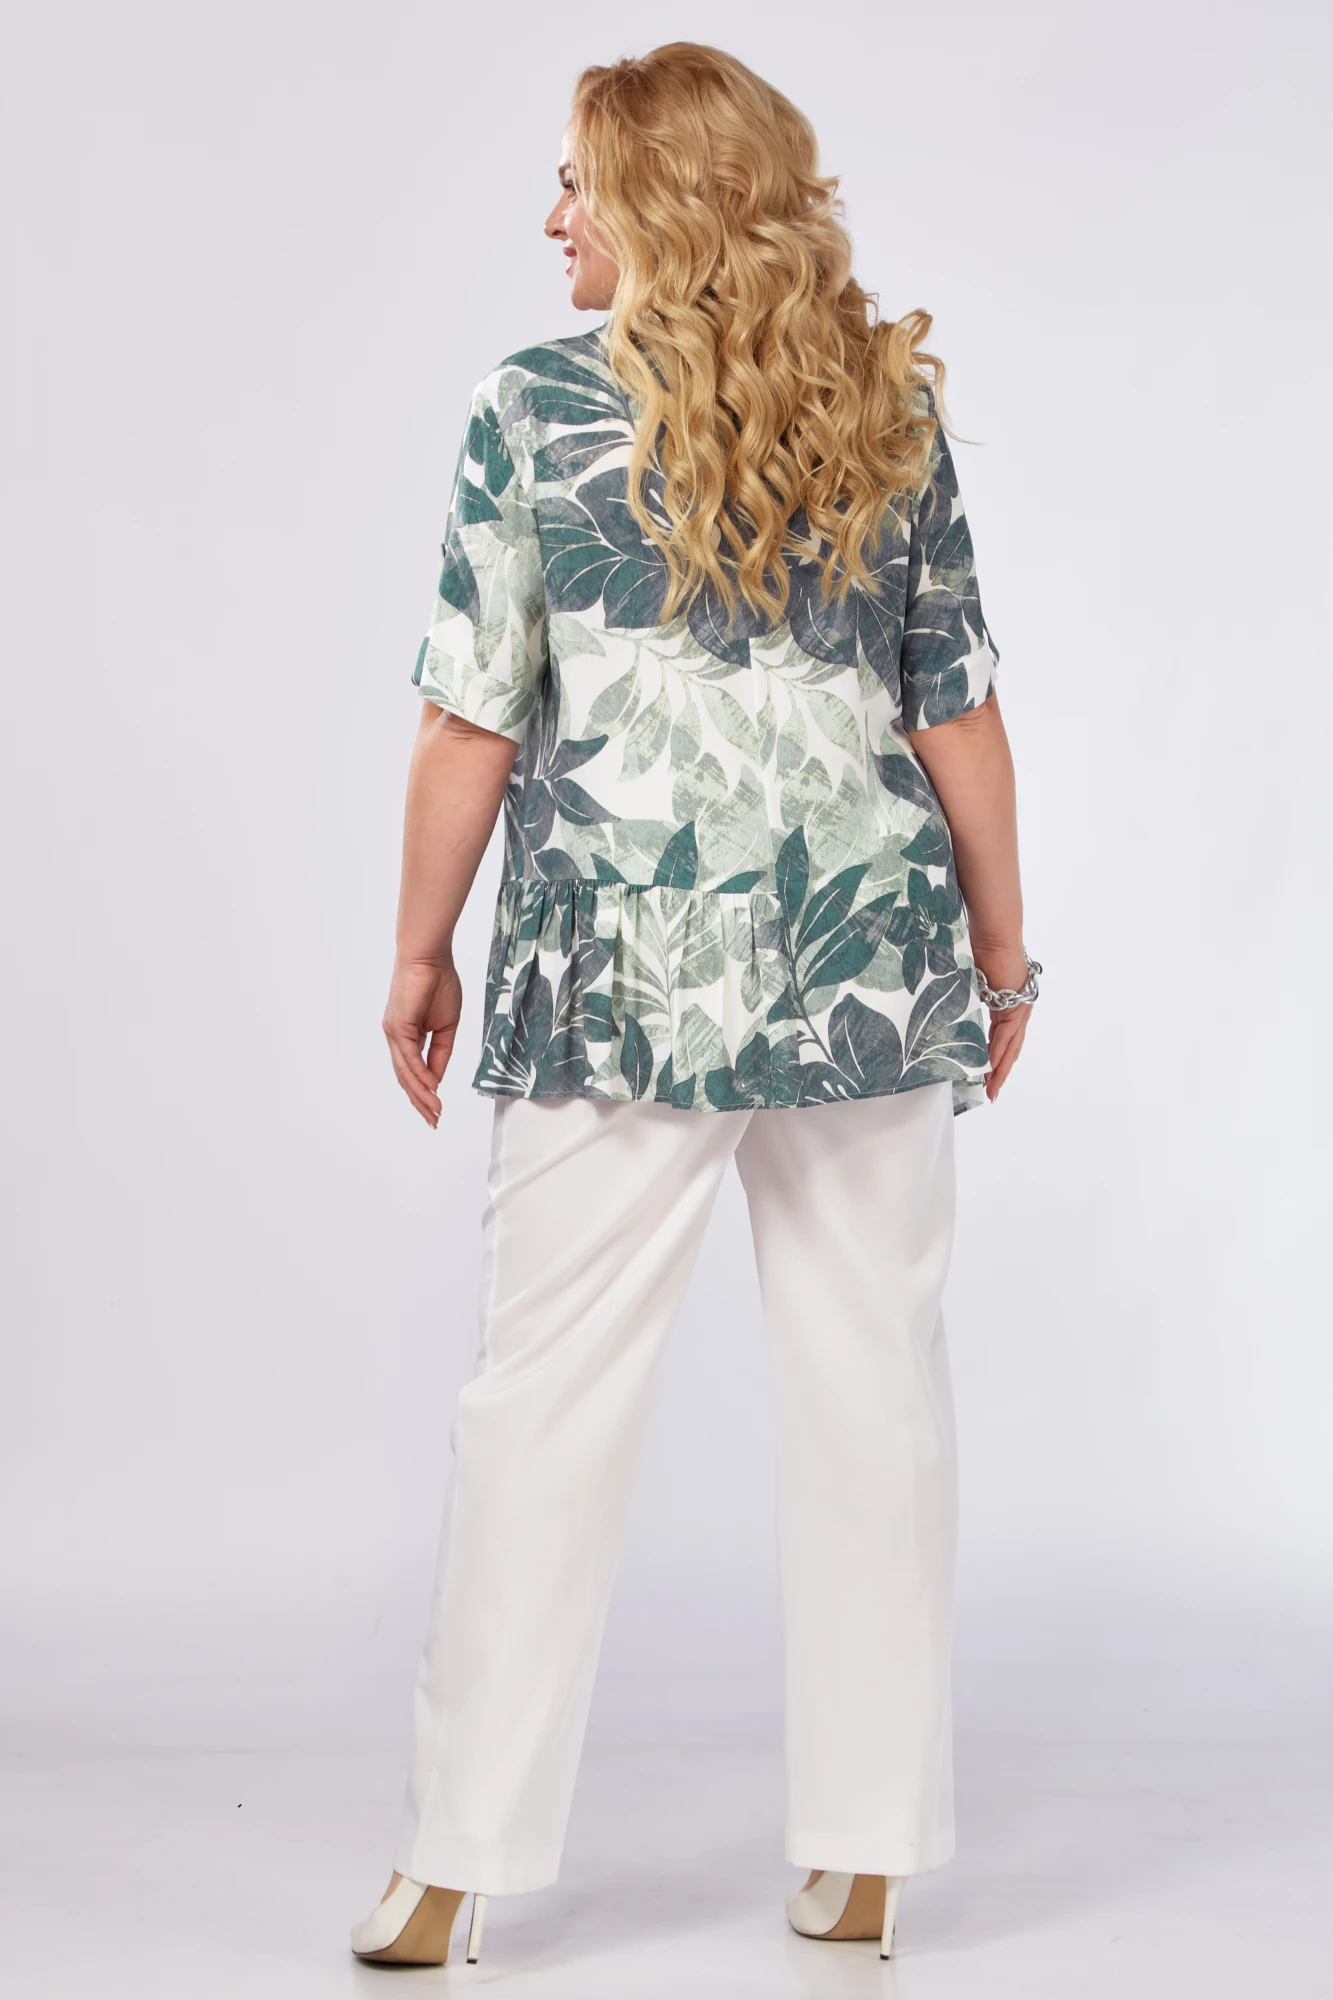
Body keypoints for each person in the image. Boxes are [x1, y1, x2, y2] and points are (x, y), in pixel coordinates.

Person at [352, 40, 1037, 1971]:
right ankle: (869, 1850)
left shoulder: (532, 408)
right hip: (863, 964)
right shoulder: (884, 404)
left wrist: (418, 949)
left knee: (539, 1403)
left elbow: (469, 715)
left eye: (575, 183)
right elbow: (958, 706)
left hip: (619, 978)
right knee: (873, 1388)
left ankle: (452, 1867)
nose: (550, 218)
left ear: (658, 199)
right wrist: (1003, 957)